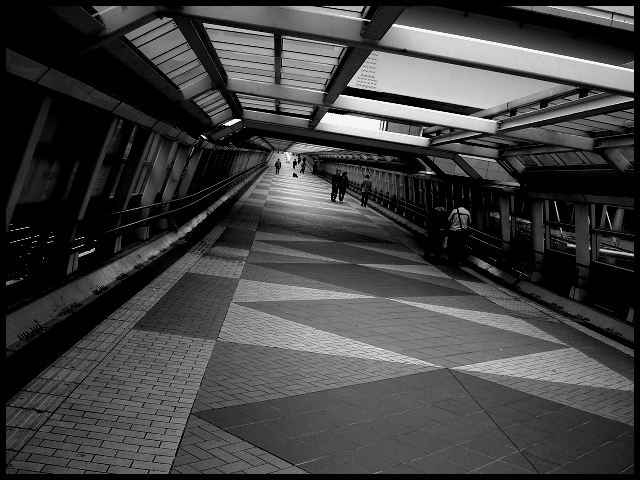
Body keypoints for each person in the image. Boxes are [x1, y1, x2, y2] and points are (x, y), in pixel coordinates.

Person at [447, 200, 471, 265]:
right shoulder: (467, 212)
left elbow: (449, 219)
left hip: (454, 232)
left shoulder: (454, 211)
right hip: (462, 233)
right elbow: (470, 222)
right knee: (460, 247)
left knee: (453, 246)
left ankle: (452, 261)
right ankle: (459, 260)